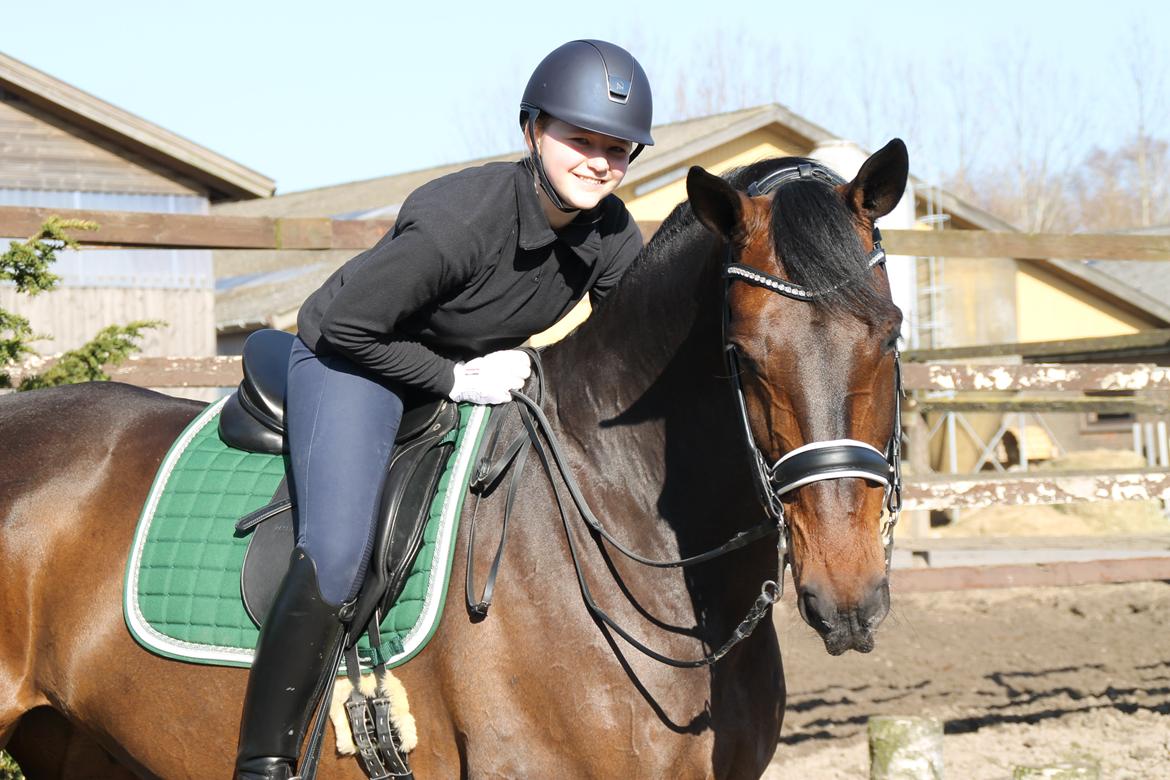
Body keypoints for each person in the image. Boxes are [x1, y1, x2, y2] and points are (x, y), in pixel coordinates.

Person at [235, 39, 654, 780]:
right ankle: (262, 762)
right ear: (532, 130)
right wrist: (454, 380)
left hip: (462, 368)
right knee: (336, 549)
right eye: (580, 140)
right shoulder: (459, 221)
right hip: (352, 359)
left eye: (617, 149)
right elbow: (349, 327)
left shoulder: (612, 233)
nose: (599, 162)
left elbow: (632, 347)